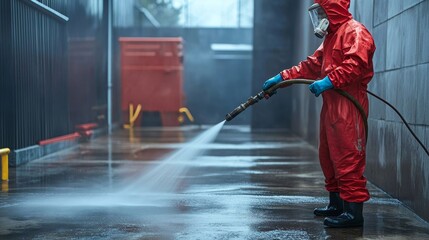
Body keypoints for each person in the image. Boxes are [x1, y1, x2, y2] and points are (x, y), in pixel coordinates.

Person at [263, 0, 375, 228]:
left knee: (347, 156)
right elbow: (311, 66)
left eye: (323, 10)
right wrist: (281, 79)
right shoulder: (331, 37)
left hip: (349, 105)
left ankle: (354, 213)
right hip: (331, 105)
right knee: (328, 155)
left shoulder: (355, 32)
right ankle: (336, 204)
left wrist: (330, 80)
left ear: (333, 9)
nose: (320, 15)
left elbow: (355, 64)